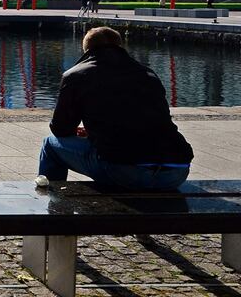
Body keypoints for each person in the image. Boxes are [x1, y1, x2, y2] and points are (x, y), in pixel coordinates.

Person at [38, 27, 193, 190]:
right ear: (120, 46)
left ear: (87, 50)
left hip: (123, 170)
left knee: (50, 145)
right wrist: (95, 132)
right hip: (176, 170)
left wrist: (90, 132)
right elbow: (146, 118)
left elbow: (61, 129)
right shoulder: (147, 73)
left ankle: (52, 203)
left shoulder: (76, 75)